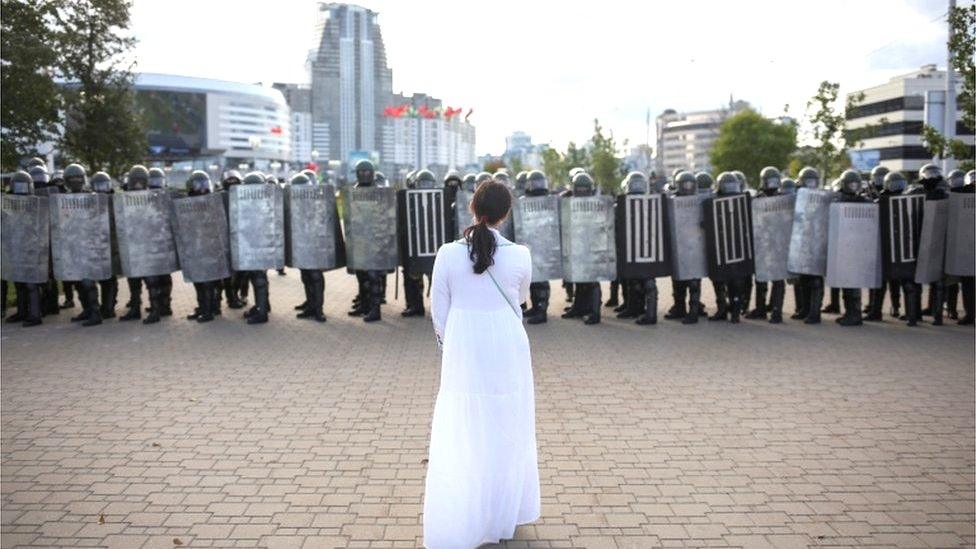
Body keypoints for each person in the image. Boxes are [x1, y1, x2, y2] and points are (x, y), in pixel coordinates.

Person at [425, 180, 540, 547]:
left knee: (465, 426)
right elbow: (521, 298)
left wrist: (450, 343)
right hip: (507, 345)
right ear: (506, 214)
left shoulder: (447, 253)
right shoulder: (520, 254)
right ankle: (502, 512)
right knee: (508, 424)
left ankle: (466, 512)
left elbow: (438, 309)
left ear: (473, 209)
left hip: (464, 347)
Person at [4, 170, 44, 327]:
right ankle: (22, 312)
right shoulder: (8, 204)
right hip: (16, 247)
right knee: (19, 281)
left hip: (32, 249)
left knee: (31, 284)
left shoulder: (37, 203)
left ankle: (35, 315)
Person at [746, 166, 786, 323]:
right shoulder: (756, 200)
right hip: (761, 242)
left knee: (778, 279)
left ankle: (777, 311)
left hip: (778, 243)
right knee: (761, 278)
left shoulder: (784, 200)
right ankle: (761, 309)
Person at [833, 169, 869, 327]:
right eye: (850, 184)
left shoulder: (866, 202)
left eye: (855, 184)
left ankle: (855, 315)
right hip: (842, 245)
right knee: (845, 282)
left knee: (853, 283)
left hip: (857, 246)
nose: (853, 187)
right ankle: (849, 313)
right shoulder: (837, 201)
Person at [90, 171, 118, 320]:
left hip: (112, 243)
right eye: (98, 185)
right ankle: (102, 307)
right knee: (99, 276)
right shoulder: (90, 201)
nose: (101, 188)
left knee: (110, 277)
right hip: (96, 244)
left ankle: (109, 307)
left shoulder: (115, 200)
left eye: (104, 185)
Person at [219, 170, 247, 311]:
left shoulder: (244, 195)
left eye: (234, 181)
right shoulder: (218, 196)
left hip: (242, 237)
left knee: (241, 271)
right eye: (228, 181)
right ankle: (230, 298)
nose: (231, 184)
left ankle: (234, 294)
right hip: (224, 236)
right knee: (227, 271)